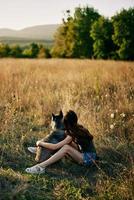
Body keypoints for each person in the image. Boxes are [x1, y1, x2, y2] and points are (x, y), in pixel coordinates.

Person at [25, 110, 97, 174]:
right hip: (86, 154)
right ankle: (40, 150)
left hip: (88, 159)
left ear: (66, 123)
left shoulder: (72, 134)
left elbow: (55, 147)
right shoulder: (78, 128)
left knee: (66, 147)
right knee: (66, 143)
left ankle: (40, 167)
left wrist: (39, 143)